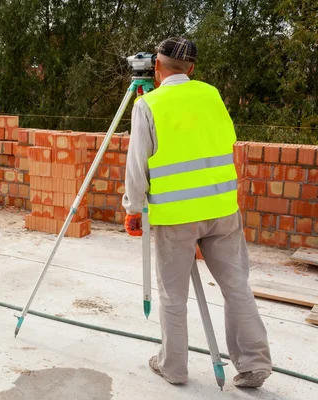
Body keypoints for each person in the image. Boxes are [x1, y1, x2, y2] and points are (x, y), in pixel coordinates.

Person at [122, 37, 272, 388]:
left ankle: (173, 367)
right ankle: (255, 364)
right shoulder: (212, 95)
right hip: (222, 208)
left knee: (173, 295)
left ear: (156, 68)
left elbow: (136, 165)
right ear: (192, 69)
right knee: (236, 286)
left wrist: (132, 208)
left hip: (176, 216)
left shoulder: (149, 105)